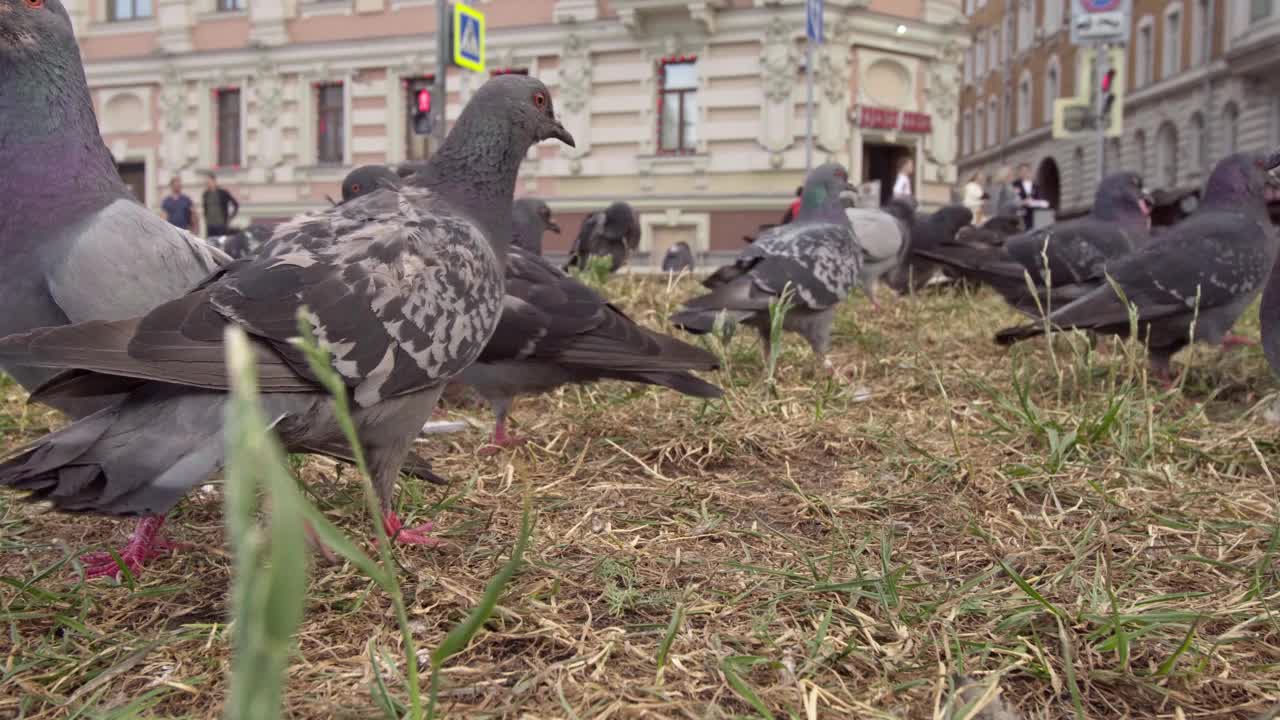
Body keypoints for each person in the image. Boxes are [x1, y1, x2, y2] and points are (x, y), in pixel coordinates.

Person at [201, 171, 240, 238]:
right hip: (210, 225)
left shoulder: (222, 193)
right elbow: (205, 209)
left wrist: (230, 217)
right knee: (210, 244)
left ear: (214, 181)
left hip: (221, 225)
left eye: (209, 182)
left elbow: (235, 204)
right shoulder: (205, 194)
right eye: (207, 182)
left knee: (221, 244)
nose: (208, 184)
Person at [1013, 162, 1048, 229]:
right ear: (1019, 173)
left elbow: (1040, 198)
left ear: (1030, 172)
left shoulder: (1035, 185)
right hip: (1021, 215)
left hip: (1035, 214)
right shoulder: (1015, 185)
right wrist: (1022, 202)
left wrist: (1039, 202)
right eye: (1022, 171)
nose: (1024, 173)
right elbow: (1013, 200)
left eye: (1026, 171)